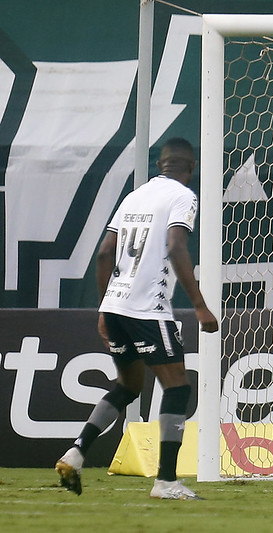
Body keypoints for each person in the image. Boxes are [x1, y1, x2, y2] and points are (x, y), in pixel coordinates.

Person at [55, 137, 219, 500]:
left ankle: (76, 451)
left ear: (160, 165)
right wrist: (199, 305)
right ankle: (166, 481)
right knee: (177, 388)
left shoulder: (135, 196)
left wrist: (104, 308)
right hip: (148, 309)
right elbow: (176, 246)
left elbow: (104, 254)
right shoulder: (182, 197)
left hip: (115, 307)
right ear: (190, 169)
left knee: (129, 386)